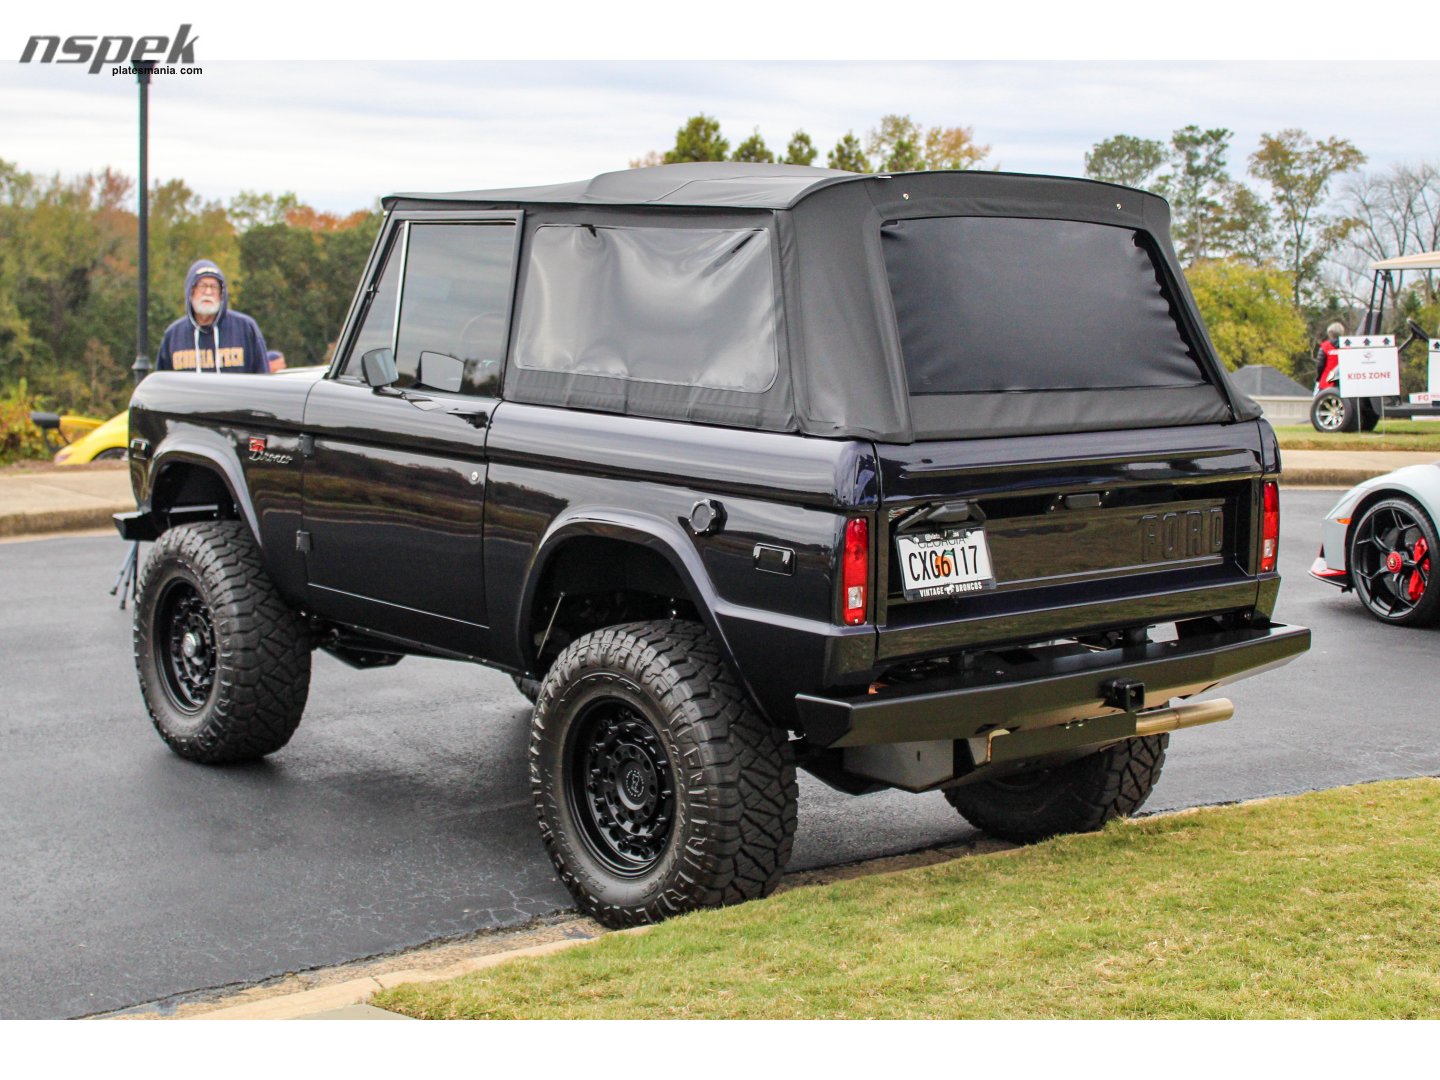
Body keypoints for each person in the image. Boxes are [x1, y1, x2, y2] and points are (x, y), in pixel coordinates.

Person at [155, 259, 270, 374]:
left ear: (221, 294)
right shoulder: (173, 335)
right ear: (191, 291)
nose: (208, 292)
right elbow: (162, 384)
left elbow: (263, 377)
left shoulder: (246, 329)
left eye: (214, 287)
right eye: (202, 286)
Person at [1316, 321, 1344, 386]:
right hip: (1343, 383)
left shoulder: (1325, 346)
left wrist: (1319, 377)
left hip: (1326, 382)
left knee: (1317, 395)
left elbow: (1320, 365)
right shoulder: (1346, 347)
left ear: (1330, 333)